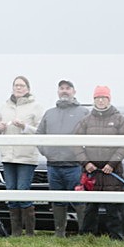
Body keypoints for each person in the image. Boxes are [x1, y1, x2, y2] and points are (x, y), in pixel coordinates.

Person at [74, 86, 124, 240]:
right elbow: (75, 143)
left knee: (113, 207)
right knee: (90, 207)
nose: (100, 100)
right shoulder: (86, 120)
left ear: (109, 99)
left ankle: (117, 238)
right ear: (94, 100)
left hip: (111, 172)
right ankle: (87, 238)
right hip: (91, 172)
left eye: (103, 97)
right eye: (97, 98)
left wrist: (112, 163)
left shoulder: (120, 119)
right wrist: (86, 163)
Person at [36, 79, 90, 237]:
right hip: (53, 165)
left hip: (74, 166)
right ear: (58, 91)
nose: (64, 91)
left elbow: (90, 136)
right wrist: (46, 151)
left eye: (68, 88)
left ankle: (84, 233)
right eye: (62, 88)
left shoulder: (83, 113)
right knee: (57, 201)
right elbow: (39, 135)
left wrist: (82, 157)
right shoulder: (49, 113)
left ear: (74, 91)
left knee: (79, 201)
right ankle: (59, 233)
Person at [0, 76, 43, 236]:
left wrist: (24, 126)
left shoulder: (35, 106)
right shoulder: (4, 106)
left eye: (22, 85)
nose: (18, 88)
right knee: (11, 193)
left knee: (23, 191)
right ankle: (16, 233)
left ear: (28, 88)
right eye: (16, 85)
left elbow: (40, 131)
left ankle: (29, 232)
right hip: (8, 155)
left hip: (26, 156)